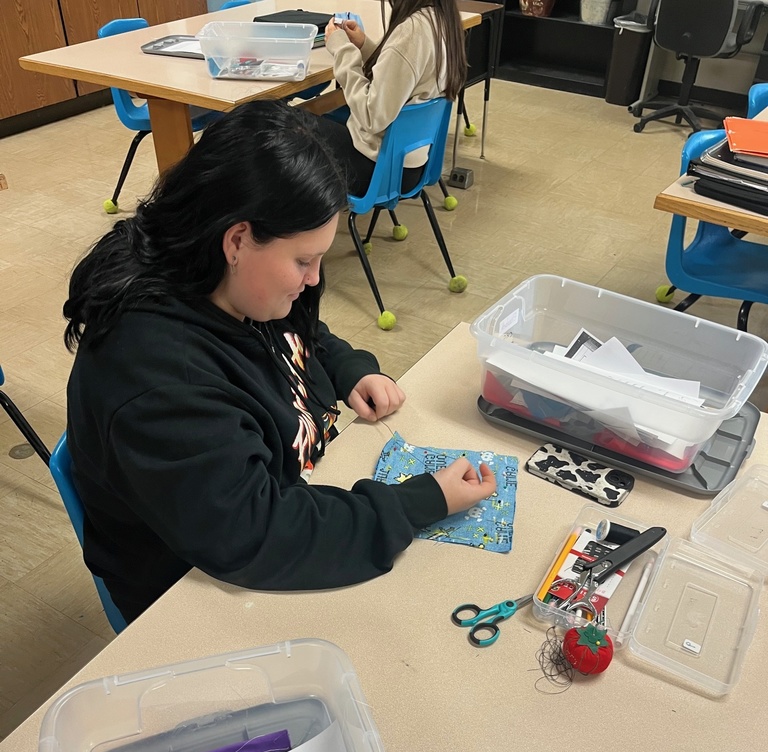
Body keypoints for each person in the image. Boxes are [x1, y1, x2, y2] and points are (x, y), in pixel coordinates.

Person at [63, 100, 496, 625]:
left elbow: (299, 327)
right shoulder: (156, 379)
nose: (314, 280)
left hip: (283, 494)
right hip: (196, 591)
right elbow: (255, 533)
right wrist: (414, 505)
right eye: (303, 260)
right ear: (238, 240)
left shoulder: (229, 278)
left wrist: (347, 367)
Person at [315, 0, 468, 195]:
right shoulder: (441, 19)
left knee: (285, 125)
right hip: (410, 162)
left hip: (380, 169)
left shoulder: (412, 32)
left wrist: (342, 51)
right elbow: (400, 76)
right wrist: (363, 45)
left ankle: (298, 219)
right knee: (316, 117)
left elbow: (372, 116)